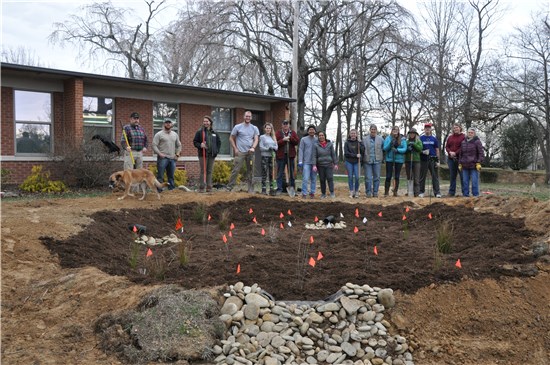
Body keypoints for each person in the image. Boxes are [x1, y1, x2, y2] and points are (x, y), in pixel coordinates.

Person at [226, 110, 260, 193]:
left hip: (250, 153)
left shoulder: (254, 128)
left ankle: (250, 188)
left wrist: (253, 147)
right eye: (246, 116)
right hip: (240, 152)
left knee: (251, 171)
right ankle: (229, 187)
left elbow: (256, 139)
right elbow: (231, 138)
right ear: (244, 117)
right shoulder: (238, 127)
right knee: (236, 170)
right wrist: (235, 148)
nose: (248, 118)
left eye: (249, 116)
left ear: (251, 117)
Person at [193, 115, 221, 193]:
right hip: (203, 155)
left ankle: (209, 187)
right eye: (204, 121)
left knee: (209, 171)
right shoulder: (200, 132)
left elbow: (219, 142)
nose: (205, 123)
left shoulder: (214, 132)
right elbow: (195, 142)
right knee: (203, 171)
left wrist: (216, 151)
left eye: (207, 121)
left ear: (210, 122)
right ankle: (202, 187)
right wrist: (200, 145)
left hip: (211, 155)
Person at [152, 119, 182, 191]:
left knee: (171, 176)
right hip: (162, 158)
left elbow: (179, 145)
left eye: (169, 123)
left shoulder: (175, 134)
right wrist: (159, 153)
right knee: (160, 176)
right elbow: (153, 145)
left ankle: (171, 190)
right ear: (164, 124)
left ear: (171, 124)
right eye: (166, 123)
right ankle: (159, 191)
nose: (168, 124)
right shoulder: (159, 134)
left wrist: (177, 154)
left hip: (172, 159)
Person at [275, 120, 299, 195]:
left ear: (289, 125)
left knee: (291, 173)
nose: (285, 125)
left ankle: (292, 188)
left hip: (290, 156)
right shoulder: (278, 133)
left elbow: (297, 142)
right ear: (282, 125)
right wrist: (283, 140)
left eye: (287, 124)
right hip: (281, 156)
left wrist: (290, 138)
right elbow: (275, 143)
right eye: (284, 124)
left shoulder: (293, 133)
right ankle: (279, 189)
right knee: (279, 173)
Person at [312, 131, 338, 199]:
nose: (321, 137)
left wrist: (335, 163)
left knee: (330, 178)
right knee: (322, 179)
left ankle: (332, 192)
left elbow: (333, 154)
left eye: (322, 135)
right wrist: (314, 165)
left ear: (325, 136)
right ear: (318, 137)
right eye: (319, 135)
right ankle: (323, 193)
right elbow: (314, 156)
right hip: (320, 165)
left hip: (329, 165)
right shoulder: (316, 145)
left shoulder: (330, 144)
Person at [459, 128, 484, 197]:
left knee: (474, 182)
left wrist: (479, 162)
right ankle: (465, 195)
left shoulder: (477, 142)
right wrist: (460, 163)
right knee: (465, 182)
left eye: (471, 133)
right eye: (469, 132)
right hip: (464, 165)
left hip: (474, 165)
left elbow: (481, 153)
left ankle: (475, 196)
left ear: (474, 134)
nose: (470, 134)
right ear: (467, 133)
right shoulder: (463, 142)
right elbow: (461, 153)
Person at [419, 123, 442, 198]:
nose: (427, 129)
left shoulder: (434, 138)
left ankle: (437, 192)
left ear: (431, 129)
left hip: (433, 158)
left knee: (435, 176)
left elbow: (437, 150)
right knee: (422, 176)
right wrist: (422, 152)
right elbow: (418, 148)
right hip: (424, 158)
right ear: (424, 129)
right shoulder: (421, 138)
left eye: (429, 128)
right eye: (426, 128)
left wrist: (438, 160)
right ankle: (421, 192)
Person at [382, 126, 407, 196]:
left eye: (396, 130)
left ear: (398, 131)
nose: (395, 131)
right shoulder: (388, 138)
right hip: (390, 159)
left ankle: (395, 191)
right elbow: (385, 148)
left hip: (398, 160)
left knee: (396, 176)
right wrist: (390, 144)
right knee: (388, 176)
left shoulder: (402, 139)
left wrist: (398, 150)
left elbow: (405, 149)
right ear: (391, 130)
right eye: (393, 129)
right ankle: (386, 192)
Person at [362, 124, 384, 197]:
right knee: (368, 177)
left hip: (377, 161)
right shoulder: (364, 139)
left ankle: (375, 192)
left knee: (377, 177)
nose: (373, 131)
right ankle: (368, 192)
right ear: (370, 130)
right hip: (367, 161)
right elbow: (361, 149)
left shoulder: (380, 139)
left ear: (376, 130)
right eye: (372, 129)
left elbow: (384, 148)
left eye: (374, 129)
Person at [445, 123, 465, 197]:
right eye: (454, 128)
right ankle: (451, 192)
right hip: (451, 159)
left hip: (460, 159)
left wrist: (455, 153)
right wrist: (450, 152)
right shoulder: (450, 137)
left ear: (460, 128)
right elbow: (447, 146)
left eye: (457, 127)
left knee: (463, 176)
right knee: (452, 176)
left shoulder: (463, 137)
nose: (455, 129)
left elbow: (463, 147)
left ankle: (464, 192)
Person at [298, 125, 318, 198]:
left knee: (313, 179)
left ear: (315, 131)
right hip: (306, 162)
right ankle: (304, 193)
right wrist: (300, 161)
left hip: (314, 163)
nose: (311, 131)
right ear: (308, 131)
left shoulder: (317, 140)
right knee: (305, 178)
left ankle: (312, 193)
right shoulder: (303, 139)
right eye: (310, 130)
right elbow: (301, 150)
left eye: (313, 130)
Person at [344, 129, 364, 198]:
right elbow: (346, 153)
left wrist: (360, 143)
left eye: (354, 133)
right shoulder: (347, 142)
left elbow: (362, 150)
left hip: (357, 162)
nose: (353, 135)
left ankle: (356, 191)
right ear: (349, 134)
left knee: (357, 177)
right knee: (350, 177)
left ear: (356, 134)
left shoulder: (359, 142)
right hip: (349, 161)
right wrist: (355, 155)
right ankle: (351, 191)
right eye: (352, 133)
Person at [259, 122, 278, 195]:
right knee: (264, 173)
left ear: (271, 129)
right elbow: (261, 147)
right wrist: (267, 149)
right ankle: (263, 189)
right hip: (265, 156)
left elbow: (276, 147)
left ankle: (271, 189)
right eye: (267, 128)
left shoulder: (273, 137)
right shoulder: (262, 137)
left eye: (269, 128)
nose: (268, 129)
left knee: (271, 173)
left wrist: (273, 148)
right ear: (265, 129)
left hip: (272, 157)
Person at [404, 128, 423, 197]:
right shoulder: (406, 141)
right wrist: (408, 149)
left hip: (416, 161)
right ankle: (409, 191)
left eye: (413, 133)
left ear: (415, 134)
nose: (412, 134)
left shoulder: (418, 141)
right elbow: (404, 150)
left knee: (416, 178)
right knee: (409, 177)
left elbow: (420, 148)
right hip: (408, 160)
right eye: (411, 133)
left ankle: (416, 192)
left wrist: (414, 145)